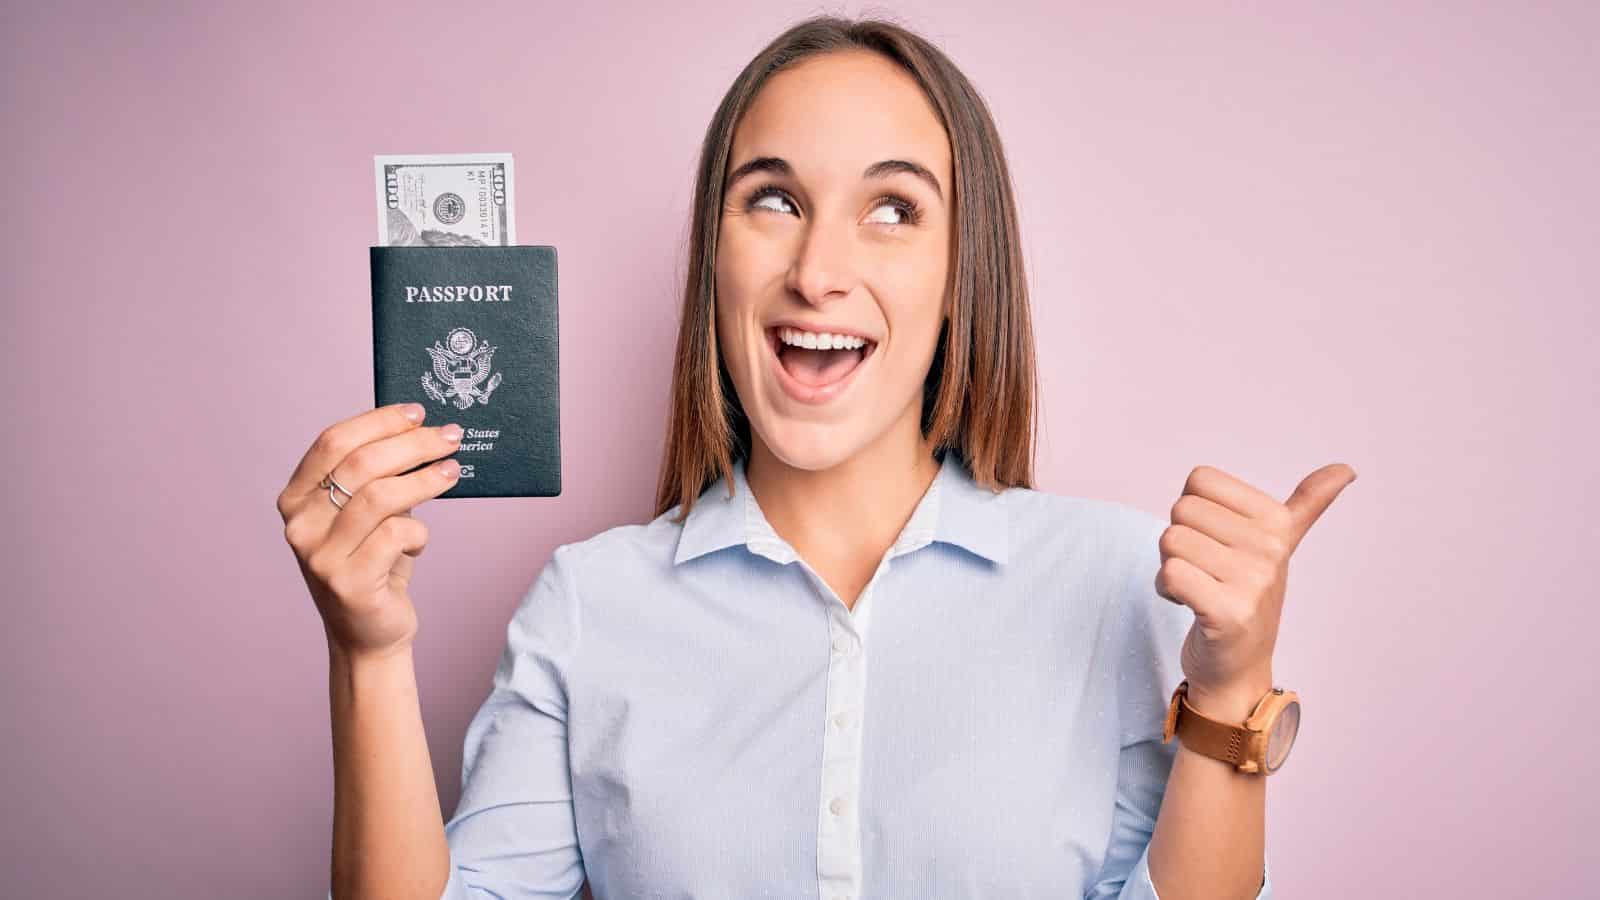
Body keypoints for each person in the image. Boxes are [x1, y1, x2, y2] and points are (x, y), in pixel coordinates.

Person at [280, 14, 1342, 900]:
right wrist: (366, 656)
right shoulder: (586, 606)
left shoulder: (1115, 583)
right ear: (715, 256)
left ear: (961, 275)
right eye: (774, 200)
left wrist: (1231, 688)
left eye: (892, 209)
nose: (818, 270)